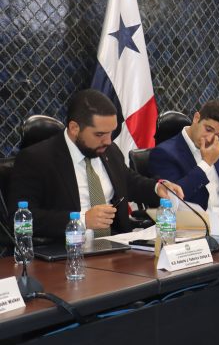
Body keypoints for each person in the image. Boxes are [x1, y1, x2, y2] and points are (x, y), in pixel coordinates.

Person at [8, 89, 184, 238]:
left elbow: (129, 182)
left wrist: (157, 188)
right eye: (99, 134)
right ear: (74, 128)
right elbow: (21, 219)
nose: (108, 141)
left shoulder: (109, 150)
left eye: (111, 132)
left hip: (116, 247)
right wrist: (82, 220)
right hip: (66, 252)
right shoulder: (35, 159)